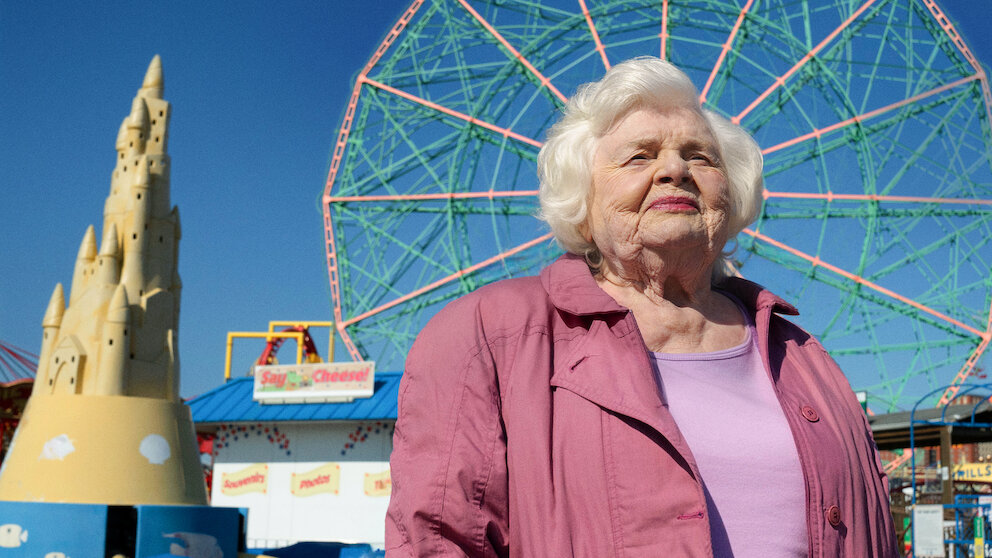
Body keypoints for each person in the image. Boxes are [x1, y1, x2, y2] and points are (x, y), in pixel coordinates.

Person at [385, 57, 897, 557]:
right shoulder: (488, 338)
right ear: (582, 200)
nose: (675, 170)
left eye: (701, 156)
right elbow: (440, 541)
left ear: (734, 193)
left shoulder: (803, 357)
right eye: (639, 157)